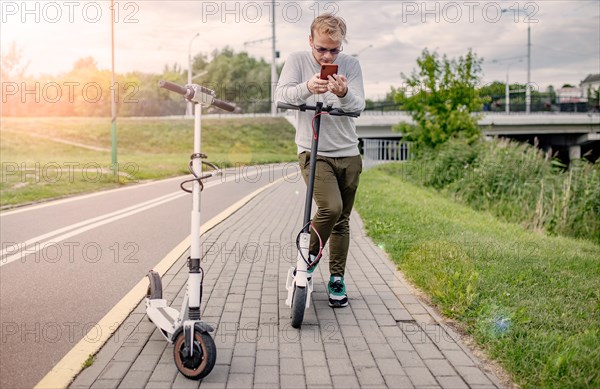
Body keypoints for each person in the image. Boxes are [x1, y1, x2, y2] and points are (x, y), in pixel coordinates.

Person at [275, 13, 365, 308]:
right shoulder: (297, 60)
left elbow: (359, 105)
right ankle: (307, 262)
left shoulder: (351, 65)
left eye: (334, 50)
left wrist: (344, 92)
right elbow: (281, 96)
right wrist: (307, 88)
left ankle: (336, 278)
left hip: (348, 152)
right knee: (331, 207)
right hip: (314, 151)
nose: (327, 56)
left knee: (342, 221)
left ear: (342, 45)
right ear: (310, 41)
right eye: (322, 49)